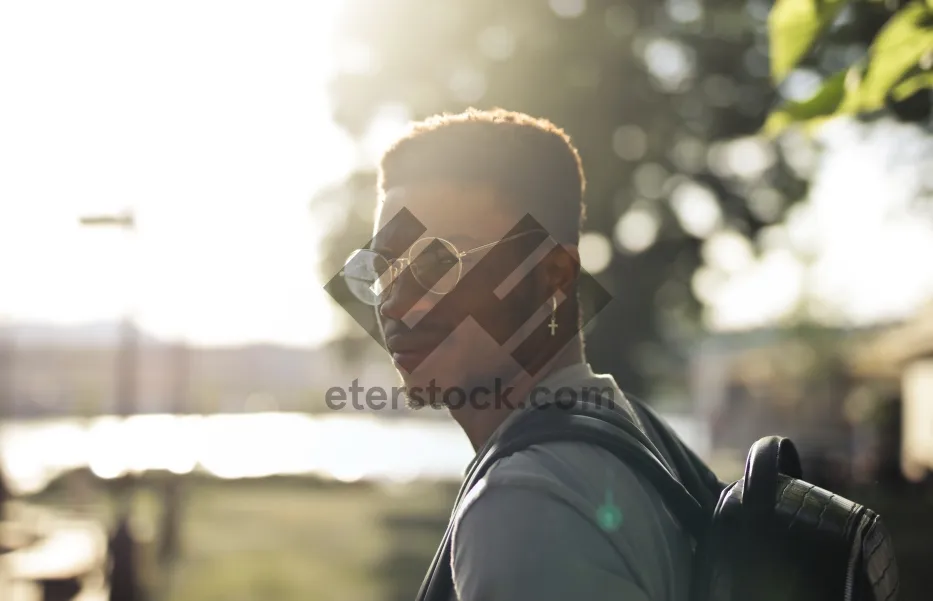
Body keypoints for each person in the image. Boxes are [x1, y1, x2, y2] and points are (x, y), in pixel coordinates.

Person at [342, 108, 693, 601]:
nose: (397, 304)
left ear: (554, 276)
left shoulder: (521, 503)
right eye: (383, 270)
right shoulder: (647, 437)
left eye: (438, 262)